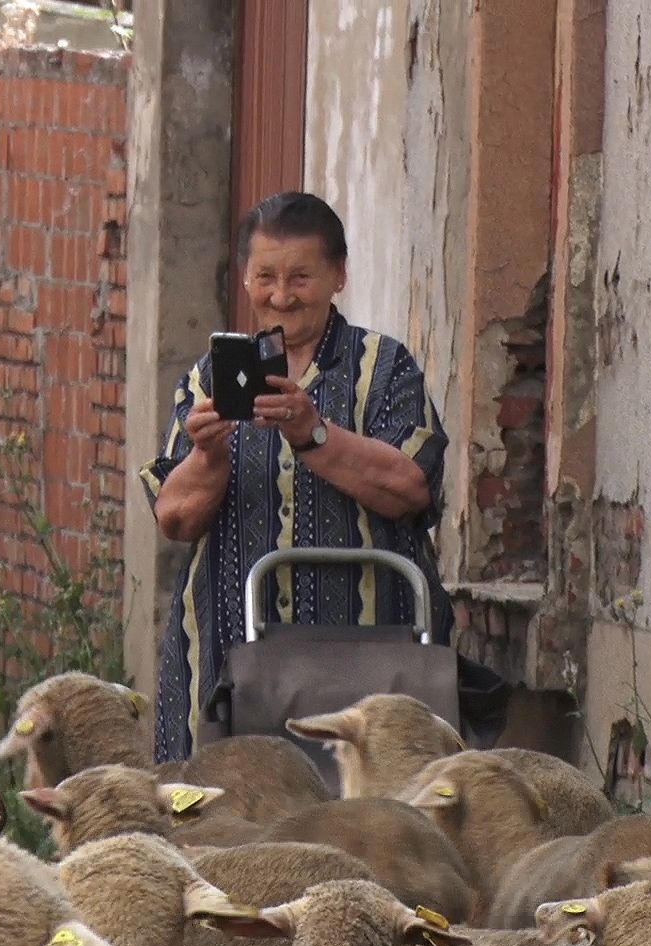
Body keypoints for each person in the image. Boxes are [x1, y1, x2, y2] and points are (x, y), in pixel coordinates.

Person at [137, 191, 457, 763]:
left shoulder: (384, 368)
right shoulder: (208, 377)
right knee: (214, 824)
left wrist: (315, 434)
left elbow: (412, 488)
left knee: (364, 831)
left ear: (338, 275)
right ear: (245, 279)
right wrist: (208, 457)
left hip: (367, 662)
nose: (280, 296)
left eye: (301, 277)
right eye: (265, 276)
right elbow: (175, 517)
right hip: (224, 659)